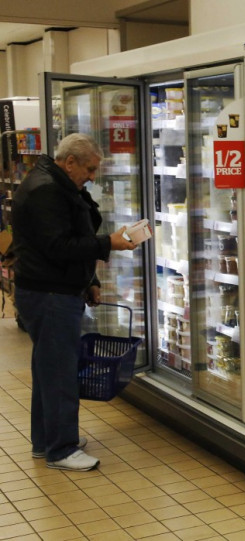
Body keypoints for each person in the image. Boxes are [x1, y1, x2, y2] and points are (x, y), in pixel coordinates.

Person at [11, 133, 136, 471]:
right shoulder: (46, 191)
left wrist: (89, 280)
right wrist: (108, 243)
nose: (93, 176)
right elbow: (60, 247)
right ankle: (61, 449)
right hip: (49, 294)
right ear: (70, 162)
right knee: (60, 373)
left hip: (52, 289)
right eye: (90, 169)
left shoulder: (55, 183)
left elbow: (69, 241)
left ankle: (46, 442)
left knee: (48, 370)